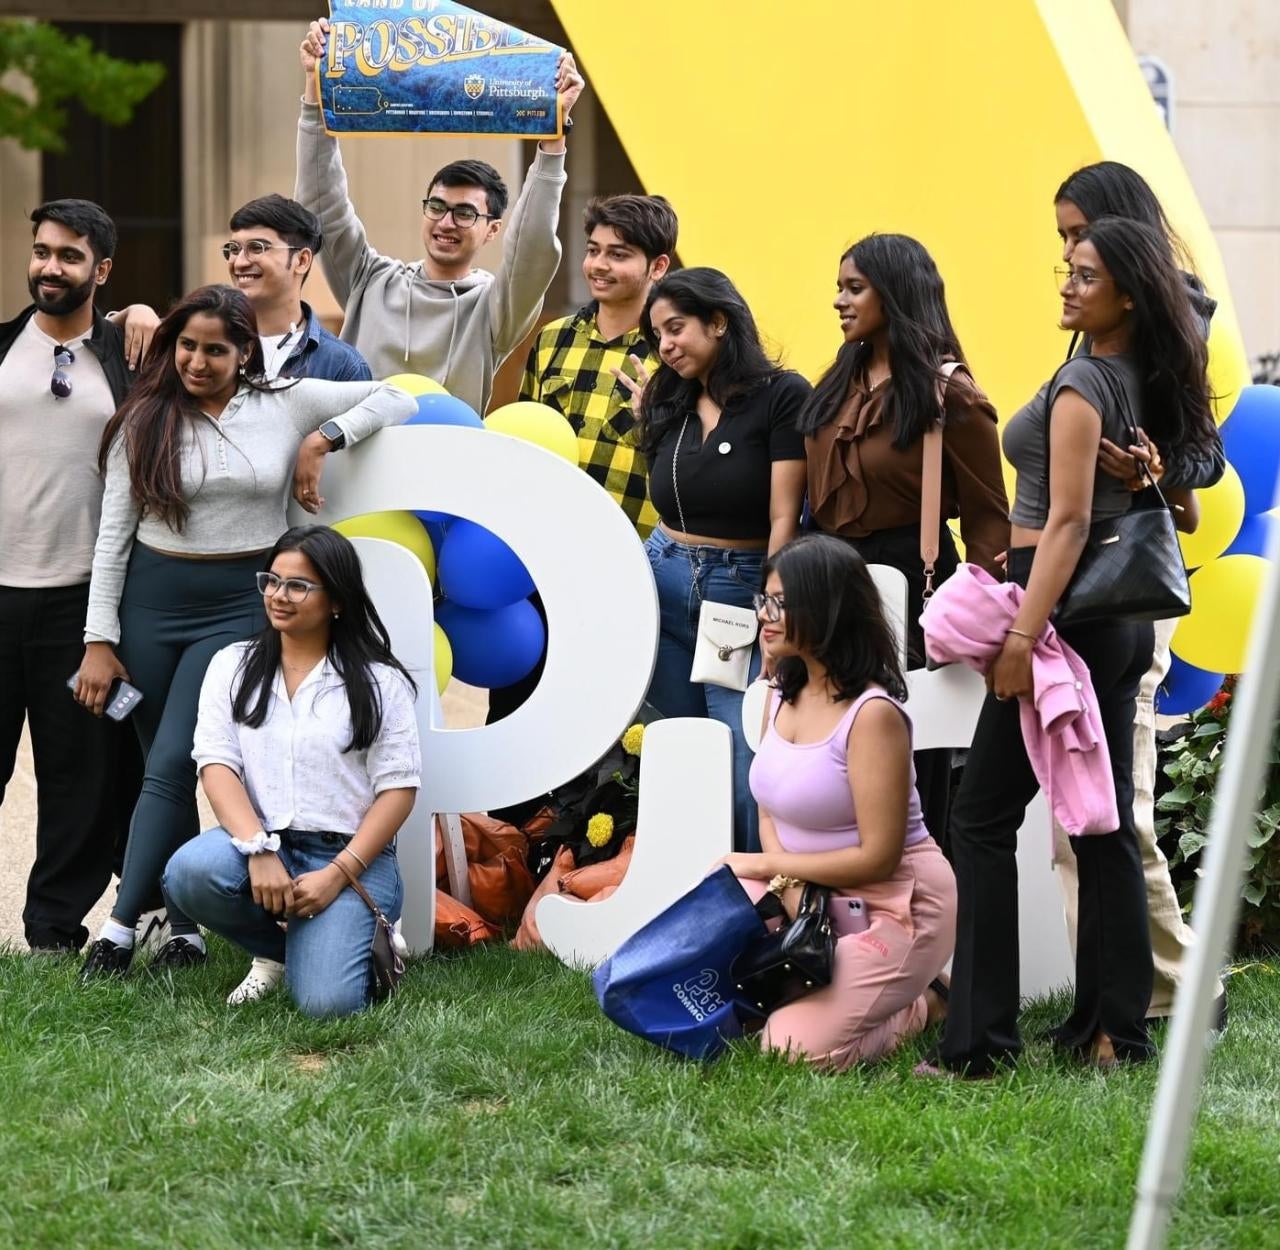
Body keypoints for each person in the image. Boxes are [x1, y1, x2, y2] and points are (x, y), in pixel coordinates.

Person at [933, 217, 1220, 1076]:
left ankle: (979, 1044)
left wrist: (1022, 638)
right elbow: (1188, 512)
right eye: (1068, 266)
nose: (1065, 280)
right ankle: (1111, 1032)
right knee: (1098, 824)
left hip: (1063, 623)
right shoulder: (1147, 378)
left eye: (1084, 273)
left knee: (981, 817)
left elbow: (1062, 522)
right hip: (1118, 623)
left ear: (1126, 293)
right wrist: (1153, 476)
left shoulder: (1090, 380)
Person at [75, 285, 415, 980]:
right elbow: (113, 537)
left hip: (236, 606)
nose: (197, 361)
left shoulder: (284, 401)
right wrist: (98, 639)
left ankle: (115, 931)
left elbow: (396, 397)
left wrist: (324, 439)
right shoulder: (143, 419)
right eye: (187, 346)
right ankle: (183, 930)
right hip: (150, 605)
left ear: (244, 352)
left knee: (175, 762)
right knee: (155, 773)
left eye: (216, 349)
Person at [1053, 161, 1227, 1026]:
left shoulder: (1168, 316)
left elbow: (1196, 472)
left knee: (1112, 809)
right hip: (1100, 591)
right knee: (1094, 812)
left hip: (1126, 588)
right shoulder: (1107, 317)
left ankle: (1180, 991)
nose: (1069, 254)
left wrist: (1151, 463)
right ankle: (1138, 994)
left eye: (1077, 233)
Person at [798, 233, 1009, 845]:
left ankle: (923, 897)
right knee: (826, 742)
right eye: (839, 287)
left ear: (896, 293)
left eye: (854, 288)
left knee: (913, 749)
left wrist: (977, 615)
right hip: (833, 578)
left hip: (915, 581)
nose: (839, 300)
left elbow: (989, 522)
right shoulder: (839, 381)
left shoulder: (952, 397)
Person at [720, 534, 956, 1068]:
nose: (765, 615)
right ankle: (844, 994)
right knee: (731, 991)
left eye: (781, 603)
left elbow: (880, 856)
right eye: (765, 600)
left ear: (827, 610)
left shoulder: (873, 716)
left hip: (897, 904)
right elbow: (769, 804)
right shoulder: (781, 692)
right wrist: (785, 884)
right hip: (810, 893)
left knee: (789, 1049)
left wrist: (770, 865)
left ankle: (921, 1003)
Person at [163, 525, 420, 1016]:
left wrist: (337, 874)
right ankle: (280, 951)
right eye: (272, 581)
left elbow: (398, 790)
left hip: (348, 856)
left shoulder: (380, 682)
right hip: (265, 841)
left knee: (328, 1005)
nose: (278, 596)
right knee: (189, 873)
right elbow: (216, 765)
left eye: (298, 585)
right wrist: (257, 849)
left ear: (338, 600)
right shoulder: (232, 665)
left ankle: (357, 936)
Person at [295, 18, 585, 414]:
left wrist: (553, 133)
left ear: (492, 230)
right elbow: (321, 203)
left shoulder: (494, 308)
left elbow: (532, 249)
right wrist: (315, 88)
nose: (446, 222)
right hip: (358, 465)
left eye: (465, 213)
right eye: (437, 206)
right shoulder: (369, 281)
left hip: (449, 467)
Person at [0, 198, 144, 953]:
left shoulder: (127, 358)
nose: (50, 267)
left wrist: (143, 314)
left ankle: (53, 931)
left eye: (69, 256)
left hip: (81, 608)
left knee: (80, 780)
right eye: (43, 252)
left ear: (102, 270)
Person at [486, 194, 678, 729]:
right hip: (544, 554)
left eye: (619, 254)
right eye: (593, 250)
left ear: (658, 266)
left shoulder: (674, 354)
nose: (598, 265)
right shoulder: (552, 340)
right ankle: (508, 815)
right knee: (518, 701)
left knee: (610, 708)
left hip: (632, 557)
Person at [637, 268, 809, 852]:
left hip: (736, 593)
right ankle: (684, 879)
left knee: (741, 746)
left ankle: (750, 892)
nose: (665, 345)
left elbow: (786, 517)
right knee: (673, 741)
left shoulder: (782, 396)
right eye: (658, 333)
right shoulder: (668, 398)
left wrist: (774, 608)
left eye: (677, 328)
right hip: (661, 578)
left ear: (720, 321)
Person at [226, 193, 371, 382]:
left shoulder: (341, 367)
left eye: (256, 248)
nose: (239, 262)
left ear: (302, 260)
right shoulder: (207, 349)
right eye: (234, 249)